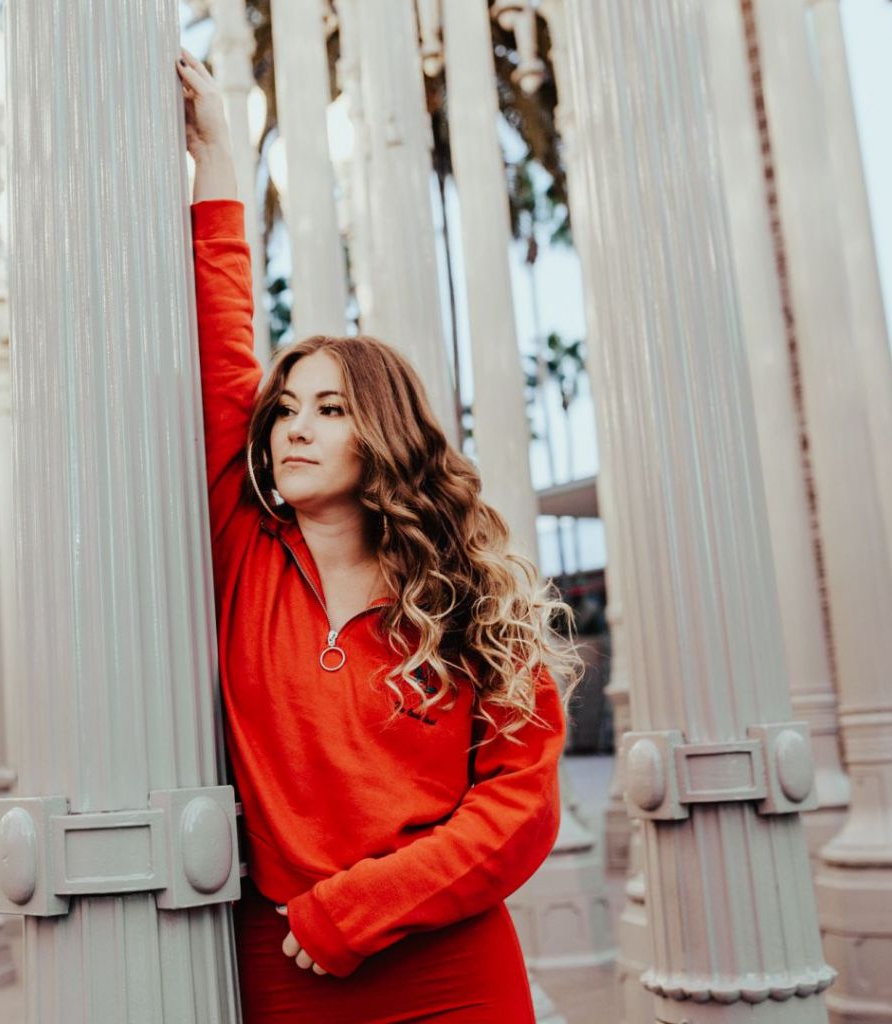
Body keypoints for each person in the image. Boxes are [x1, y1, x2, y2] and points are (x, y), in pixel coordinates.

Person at [177, 50, 579, 1024]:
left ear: (383, 434)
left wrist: (357, 909)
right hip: (290, 965)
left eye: (330, 409)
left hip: (449, 966)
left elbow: (519, 807)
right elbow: (223, 340)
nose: (295, 428)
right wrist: (216, 157)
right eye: (286, 411)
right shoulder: (248, 549)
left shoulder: (473, 592)